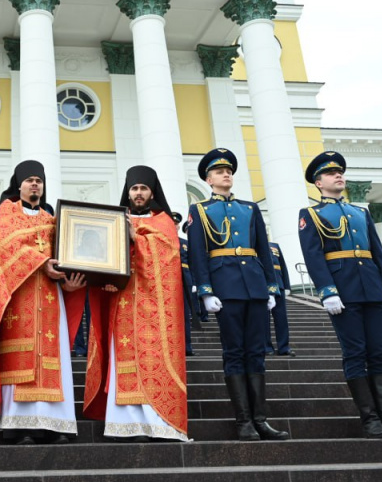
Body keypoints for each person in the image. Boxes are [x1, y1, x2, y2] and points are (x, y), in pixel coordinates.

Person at [0, 160, 87, 445]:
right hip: (16, 297)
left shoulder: (53, 219)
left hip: (49, 298)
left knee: (53, 358)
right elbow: (5, 247)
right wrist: (42, 262)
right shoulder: (7, 212)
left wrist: (69, 282)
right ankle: (16, 425)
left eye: (39, 181)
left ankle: (54, 423)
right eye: (30, 180)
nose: (35, 184)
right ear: (18, 184)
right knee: (17, 358)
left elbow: (67, 255)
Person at [299, 151, 382, 439]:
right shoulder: (311, 214)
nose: (339, 176)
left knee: (380, 353)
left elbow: (377, 252)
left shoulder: (360, 213)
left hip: (372, 288)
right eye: (331, 173)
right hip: (343, 292)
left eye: (340, 172)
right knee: (355, 353)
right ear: (318, 182)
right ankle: (370, 419)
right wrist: (327, 291)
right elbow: (313, 257)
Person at [187, 148, 289, 441]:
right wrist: (205, 290)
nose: (226, 174)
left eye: (229, 170)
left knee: (256, 353)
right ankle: (243, 421)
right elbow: (197, 253)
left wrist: (271, 286)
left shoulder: (249, 208)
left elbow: (263, 249)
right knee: (234, 353)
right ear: (209, 179)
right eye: (219, 172)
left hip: (254, 286)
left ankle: (261, 420)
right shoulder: (201, 210)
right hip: (225, 287)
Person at [82, 165, 189, 442]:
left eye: (143, 188)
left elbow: (167, 259)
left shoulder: (163, 221)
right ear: (128, 193)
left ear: (152, 192)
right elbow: (102, 257)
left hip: (154, 308)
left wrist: (135, 238)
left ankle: (158, 423)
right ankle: (125, 424)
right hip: (122, 303)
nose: (138, 193)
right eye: (134, 189)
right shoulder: (115, 220)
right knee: (124, 359)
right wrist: (104, 280)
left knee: (153, 362)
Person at [171, 212, 196, 356]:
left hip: (185, 279)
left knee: (185, 315)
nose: (174, 226)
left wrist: (194, 282)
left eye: (176, 224)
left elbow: (192, 264)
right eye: (171, 223)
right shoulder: (163, 241)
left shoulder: (185, 244)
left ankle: (187, 346)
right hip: (169, 278)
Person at [265, 240, 296, 357]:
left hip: (279, 285)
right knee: (264, 319)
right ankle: (267, 347)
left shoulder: (274, 245)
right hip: (262, 285)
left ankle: (284, 347)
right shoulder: (252, 244)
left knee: (281, 318)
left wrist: (287, 285)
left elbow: (282, 266)